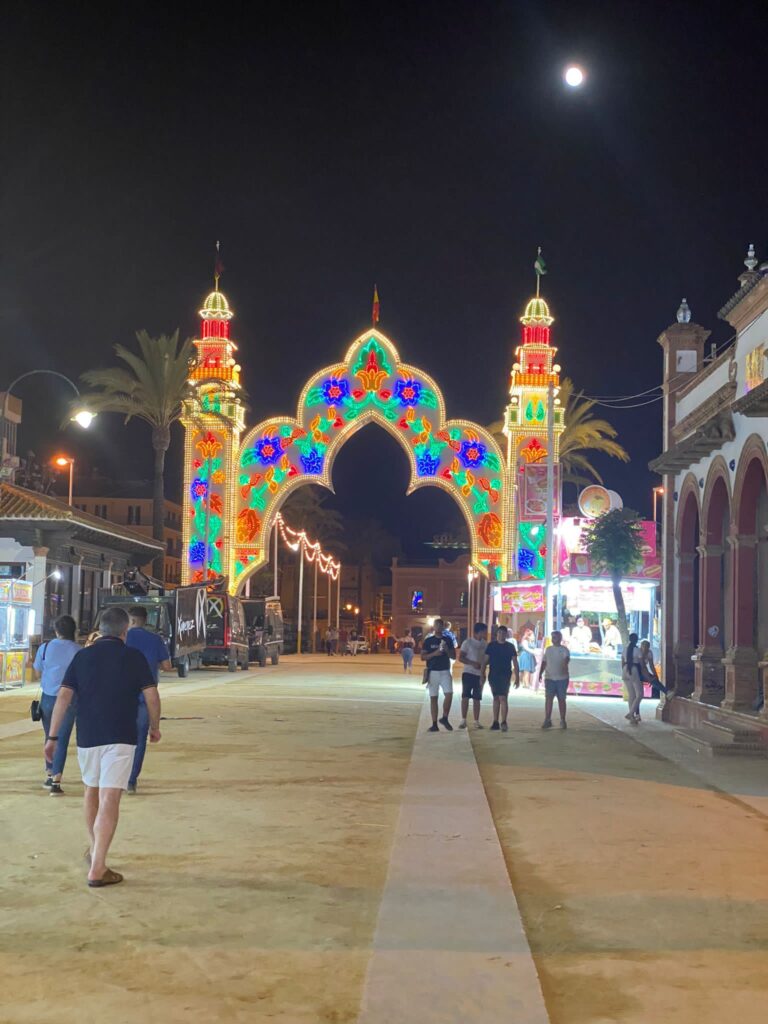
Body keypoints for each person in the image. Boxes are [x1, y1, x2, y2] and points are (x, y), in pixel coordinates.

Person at [43, 606, 161, 887]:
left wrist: (53, 736)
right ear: (125, 630)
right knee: (110, 798)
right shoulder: (133, 657)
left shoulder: (83, 656)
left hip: (88, 737)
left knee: (91, 791)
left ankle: (96, 849)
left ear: (101, 628)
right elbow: (152, 695)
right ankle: (97, 868)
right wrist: (155, 727)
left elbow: (63, 696)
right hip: (121, 735)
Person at [125, 605, 171, 793]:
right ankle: (131, 780)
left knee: (119, 738)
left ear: (132, 620)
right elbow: (167, 666)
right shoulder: (156, 640)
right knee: (140, 740)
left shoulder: (123, 637)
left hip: (121, 697)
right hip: (145, 697)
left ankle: (116, 776)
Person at [34, 615, 80, 796]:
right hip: (69, 699)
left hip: (47, 698)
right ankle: (56, 781)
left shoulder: (44, 648)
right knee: (62, 739)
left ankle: (49, 774)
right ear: (73, 631)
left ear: (56, 631)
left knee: (49, 736)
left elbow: (38, 672)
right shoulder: (78, 650)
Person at [481, 625, 520, 732]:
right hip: (493, 675)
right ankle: (495, 721)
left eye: (503, 633)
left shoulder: (510, 647)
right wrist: (482, 674)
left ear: (506, 635)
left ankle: (503, 721)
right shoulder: (491, 646)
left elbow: (515, 663)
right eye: (499, 633)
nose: (501, 635)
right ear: (496, 634)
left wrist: (517, 677)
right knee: (496, 698)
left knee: (503, 697)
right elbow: (485, 661)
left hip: (505, 675)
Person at [421, 617, 456, 732]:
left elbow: (454, 656)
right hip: (433, 671)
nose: (439, 628)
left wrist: (446, 650)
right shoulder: (428, 641)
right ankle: (434, 723)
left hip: (445, 670)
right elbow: (423, 657)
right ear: (434, 627)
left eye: (441, 626)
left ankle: (444, 717)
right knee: (433, 698)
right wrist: (435, 654)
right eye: (437, 625)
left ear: (443, 627)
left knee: (449, 694)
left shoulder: (448, 640)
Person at [458, 621, 488, 729]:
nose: (485, 633)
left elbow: (486, 659)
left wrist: (483, 671)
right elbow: (461, 657)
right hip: (468, 673)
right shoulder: (468, 642)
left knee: (477, 698)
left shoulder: (485, 644)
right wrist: (472, 663)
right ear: (478, 631)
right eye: (484, 631)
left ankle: (476, 721)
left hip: (479, 674)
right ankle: (463, 720)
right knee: (465, 696)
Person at [540, 630, 570, 730]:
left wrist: (564, 666)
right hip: (549, 678)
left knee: (562, 699)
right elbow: (544, 662)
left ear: (560, 639)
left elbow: (566, 659)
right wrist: (540, 673)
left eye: (555, 637)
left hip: (562, 678)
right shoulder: (548, 649)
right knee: (549, 699)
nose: (554, 639)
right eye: (552, 637)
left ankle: (563, 720)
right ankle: (547, 719)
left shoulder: (564, 650)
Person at [622, 632, 644, 723]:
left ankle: (632, 718)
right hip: (633, 670)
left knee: (631, 695)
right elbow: (642, 664)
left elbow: (622, 662)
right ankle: (631, 713)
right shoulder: (637, 650)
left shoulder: (625, 649)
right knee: (640, 694)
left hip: (625, 670)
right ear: (636, 640)